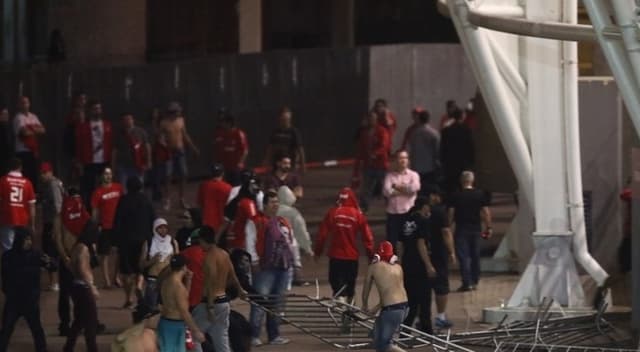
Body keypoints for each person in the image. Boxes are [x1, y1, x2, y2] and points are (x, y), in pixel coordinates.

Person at [246, 190, 299, 346]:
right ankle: (254, 335)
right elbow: (250, 242)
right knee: (260, 302)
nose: (275, 204)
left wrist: (296, 263)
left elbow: (292, 243)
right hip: (264, 269)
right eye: (272, 202)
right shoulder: (254, 221)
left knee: (276, 302)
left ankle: (274, 335)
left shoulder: (283, 221)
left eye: (277, 201)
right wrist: (254, 262)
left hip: (282, 268)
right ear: (264, 204)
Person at [192, 225, 247, 352]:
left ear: (203, 240)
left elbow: (210, 282)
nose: (199, 245)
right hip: (224, 302)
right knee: (221, 338)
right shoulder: (224, 254)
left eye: (199, 242)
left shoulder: (209, 258)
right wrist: (240, 290)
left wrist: (210, 307)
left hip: (211, 303)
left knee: (194, 334)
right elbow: (232, 274)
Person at [315, 187, 374, 303]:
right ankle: (350, 306)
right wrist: (371, 256)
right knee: (350, 285)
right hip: (351, 257)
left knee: (336, 284)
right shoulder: (358, 215)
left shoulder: (333, 212)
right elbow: (368, 238)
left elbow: (322, 235)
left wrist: (318, 252)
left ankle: (340, 301)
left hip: (335, 256)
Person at [0, 228, 53, 352]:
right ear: (19, 241)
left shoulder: (36, 254)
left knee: (37, 329)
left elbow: (53, 266)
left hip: (30, 301)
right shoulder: (8, 256)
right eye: (26, 239)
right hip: (14, 301)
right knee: (6, 330)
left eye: (30, 239)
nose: (29, 242)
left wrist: (49, 262)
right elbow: (6, 277)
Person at [113, 176, 156, 308]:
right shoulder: (146, 200)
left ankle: (129, 298)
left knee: (127, 271)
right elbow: (153, 220)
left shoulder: (123, 201)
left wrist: (116, 240)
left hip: (126, 240)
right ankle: (139, 285)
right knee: (141, 268)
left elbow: (118, 222)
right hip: (143, 240)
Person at [396, 197, 437, 334]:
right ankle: (426, 329)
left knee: (410, 298)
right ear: (424, 207)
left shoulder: (405, 221)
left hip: (407, 263)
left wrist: (400, 261)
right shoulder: (423, 222)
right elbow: (421, 244)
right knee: (424, 298)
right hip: (419, 264)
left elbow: (399, 243)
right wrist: (428, 265)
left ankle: (405, 329)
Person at [447, 171, 492, 291]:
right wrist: (489, 227)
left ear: (461, 181)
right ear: (472, 180)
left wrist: (448, 226)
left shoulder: (456, 195)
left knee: (463, 256)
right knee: (475, 255)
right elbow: (486, 212)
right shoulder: (480, 194)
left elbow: (451, 213)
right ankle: (475, 280)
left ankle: (466, 282)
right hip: (476, 228)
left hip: (461, 228)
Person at [56, 186, 91, 337]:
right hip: (76, 260)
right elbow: (59, 239)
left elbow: (57, 239)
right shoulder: (81, 213)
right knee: (77, 293)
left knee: (72, 294)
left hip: (72, 260)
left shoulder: (62, 215)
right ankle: (74, 324)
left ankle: (73, 324)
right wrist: (69, 258)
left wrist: (66, 258)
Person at [362, 241, 408, 352]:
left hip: (391, 310)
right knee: (376, 336)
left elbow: (366, 288)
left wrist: (365, 305)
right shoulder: (398, 268)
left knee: (384, 345)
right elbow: (389, 294)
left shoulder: (374, 267)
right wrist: (377, 308)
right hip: (404, 308)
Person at [63, 220, 101, 352]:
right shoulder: (83, 248)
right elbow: (82, 269)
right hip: (84, 288)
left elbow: (71, 266)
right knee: (91, 323)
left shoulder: (77, 246)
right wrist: (92, 287)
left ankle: (68, 348)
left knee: (78, 321)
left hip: (76, 287)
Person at [157, 254, 206, 352]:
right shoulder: (178, 287)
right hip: (174, 326)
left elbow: (181, 300)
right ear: (184, 267)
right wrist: (196, 331)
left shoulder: (166, 282)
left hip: (165, 322)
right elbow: (184, 311)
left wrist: (189, 280)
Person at [158, 101, 200, 210]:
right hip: (169, 152)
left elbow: (185, 135)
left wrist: (193, 147)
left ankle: (182, 199)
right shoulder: (164, 123)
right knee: (168, 175)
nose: (179, 113)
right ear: (172, 112)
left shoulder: (181, 120)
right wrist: (162, 143)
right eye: (177, 111)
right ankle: (167, 199)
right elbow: (160, 136)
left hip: (180, 151)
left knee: (183, 174)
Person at [425, 186, 456, 329]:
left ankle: (423, 317)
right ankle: (441, 316)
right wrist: (451, 252)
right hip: (438, 253)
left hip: (421, 254)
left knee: (423, 287)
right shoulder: (440, 212)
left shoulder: (416, 212)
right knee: (441, 286)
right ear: (434, 196)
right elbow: (446, 233)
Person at [76, 100, 113, 206]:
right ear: (90, 110)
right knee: (89, 187)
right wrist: (79, 161)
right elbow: (79, 145)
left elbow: (110, 143)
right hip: (88, 161)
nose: (97, 111)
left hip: (104, 160)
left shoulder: (107, 125)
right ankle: (89, 209)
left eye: (99, 108)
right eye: (95, 108)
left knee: (105, 185)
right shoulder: (83, 126)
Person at [91, 167, 124, 288]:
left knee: (119, 253)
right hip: (105, 227)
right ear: (101, 176)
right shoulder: (97, 193)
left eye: (109, 174)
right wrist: (96, 226)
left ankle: (115, 277)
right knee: (104, 254)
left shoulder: (118, 188)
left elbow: (123, 204)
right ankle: (107, 281)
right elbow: (94, 212)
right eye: (105, 174)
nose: (108, 176)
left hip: (118, 226)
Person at [383, 150, 420, 248]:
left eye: (405, 158)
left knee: (410, 243)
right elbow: (386, 192)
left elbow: (414, 188)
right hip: (393, 214)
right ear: (396, 160)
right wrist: (405, 190)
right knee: (392, 244)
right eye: (400, 158)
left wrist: (395, 186)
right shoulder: (390, 176)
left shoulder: (413, 175)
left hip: (408, 214)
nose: (403, 160)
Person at [277, 185, 313, 286]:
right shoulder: (293, 213)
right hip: (290, 242)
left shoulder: (274, 210)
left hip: (275, 241)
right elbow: (301, 232)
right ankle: (297, 277)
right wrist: (307, 248)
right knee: (295, 258)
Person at [139, 218, 178, 310]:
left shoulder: (172, 242)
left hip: (167, 280)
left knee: (167, 307)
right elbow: (141, 265)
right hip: (154, 280)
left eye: (165, 227)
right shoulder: (149, 242)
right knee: (152, 308)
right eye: (160, 228)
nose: (163, 230)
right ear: (155, 229)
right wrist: (152, 261)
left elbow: (178, 261)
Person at [357, 111, 391, 212]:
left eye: (372, 118)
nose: (371, 120)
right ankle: (364, 206)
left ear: (376, 119)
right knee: (366, 187)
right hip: (368, 164)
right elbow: (361, 148)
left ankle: (391, 205)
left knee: (385, 186)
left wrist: (375, 153)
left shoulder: (382, 131)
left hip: (380, 165)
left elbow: (384, 145)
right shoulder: (364, 133)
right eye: (369, 118)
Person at [0, 158, 36, 251]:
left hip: (6, 218)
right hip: (22, 220)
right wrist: (32, 224)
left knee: (7, 248)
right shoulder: (27, 183)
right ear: (20, 167)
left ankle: (9, 265)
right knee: (21, 248)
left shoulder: (3, 181)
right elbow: (32, 206)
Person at [217, 174, 259, 250]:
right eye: (252, 186)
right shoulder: (245, 202)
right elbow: (255, 222)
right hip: (241, 241)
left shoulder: (252, 199)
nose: (255, 188)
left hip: (239, 240)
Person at [39, 161, 64, 291]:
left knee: (52, 253)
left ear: (50, 172)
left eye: (45, 173)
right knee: (49, 252)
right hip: (50, 224)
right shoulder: (49, 185)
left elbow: (58, 208)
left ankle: (55, 283)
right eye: (41, 173)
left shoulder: (53, 185)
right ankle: (53, 282)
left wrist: (56, 228)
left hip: (53, 225)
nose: (42, 175)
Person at [13, 96, 45, 190]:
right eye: (22, 103)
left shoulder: (33, 116)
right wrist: (35, 129)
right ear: (19, 105)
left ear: (29, 104)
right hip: (22, 151)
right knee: (24, 174)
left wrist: (30, 129)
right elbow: (24, 132)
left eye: (26, 102)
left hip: (33, 151)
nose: (25, 105)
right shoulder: (18, 118)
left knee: (33, 175)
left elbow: (43, 130)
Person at [440, 108, 474, 194]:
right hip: (463, 161)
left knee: (451, 184)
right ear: (463, 117)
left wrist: (442, 160)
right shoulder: (467, 130)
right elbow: (470, 147)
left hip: (450, 161)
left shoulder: (446, 131)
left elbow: (442, 147)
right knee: (463, 183)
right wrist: (471, 161)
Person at [113, 113, 152, 187]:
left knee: (139, 187)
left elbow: (147, 146)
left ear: (133, 120)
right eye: (125, 120)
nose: (127, 121)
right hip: (123, 166)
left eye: (129, 119)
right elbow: (115, 151)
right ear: (122, 121)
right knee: (123, 188)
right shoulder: (119, 134)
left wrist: (149, 161)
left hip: (138, 165)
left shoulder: (141, 131)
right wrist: (113, 165)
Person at [405, 110, 440, 191]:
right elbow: (437, 150)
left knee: (417, 188)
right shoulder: (434, 133)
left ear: (419, 119)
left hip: (416, 165)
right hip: (429, 166)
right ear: (428, 119)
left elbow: (410, 148)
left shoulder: (413, 133)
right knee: (429, 189)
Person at [263, 107, 306, 173]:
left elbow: (300, 149)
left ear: (289, 119)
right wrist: (267, 161)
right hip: (277, 164)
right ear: (279, 118)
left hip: (290, 165)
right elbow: (270, 148)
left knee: (290, 182)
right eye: (283, 119)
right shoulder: (276, 132)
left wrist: (303, 165)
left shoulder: (294, 132)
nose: (284, 121)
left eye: (286, 119)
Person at [213, 110, 249, 186]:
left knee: (236, 187)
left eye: (224, 122)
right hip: (225, 167)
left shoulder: (239, 133)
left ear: (229, 123)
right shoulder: (222, 133)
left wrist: (240, 162)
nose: (222, 124)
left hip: (235, 168)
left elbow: (245, 150)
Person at [198, 163, 232, 232]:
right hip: (222, 226)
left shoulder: (203, 186)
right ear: (223, 173)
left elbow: (200, 204)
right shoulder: (228, 188)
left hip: (206, 223)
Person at [0, 105, 13, 175]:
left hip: (7, 158)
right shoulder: (3, 127)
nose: (6, 116)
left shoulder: (8, 127)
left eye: (7, 114)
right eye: (4, 114)